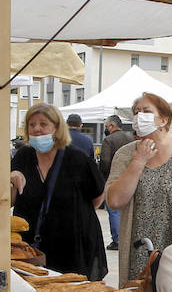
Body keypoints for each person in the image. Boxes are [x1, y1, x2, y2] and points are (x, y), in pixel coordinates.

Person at [106, 92, 172, 282]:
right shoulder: (125, 154)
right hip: (140, 250)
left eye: (146, 111)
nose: (139, 116)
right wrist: (139, 160)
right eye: (136, 112)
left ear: (163, 119)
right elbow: (114, 200)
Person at [9, 104, 106, 280]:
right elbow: (9, 201)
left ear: (56, 128)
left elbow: (97, 197)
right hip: (32, 247)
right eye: (32, 124)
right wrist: (11, 180)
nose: (37, 129)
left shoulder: (77, 158)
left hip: (71, 244)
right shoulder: (23, 156)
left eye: (43, 124)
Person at [98, 115, 129, 250]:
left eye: (106, 126)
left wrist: (103, 176)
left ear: (111, 126)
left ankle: (117, 240)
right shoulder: (130, 138)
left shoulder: (108, 140)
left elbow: (104, 161)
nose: (106, 129)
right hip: (130, 177)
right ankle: (126, 238)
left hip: (114, 178)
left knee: (114, 211)